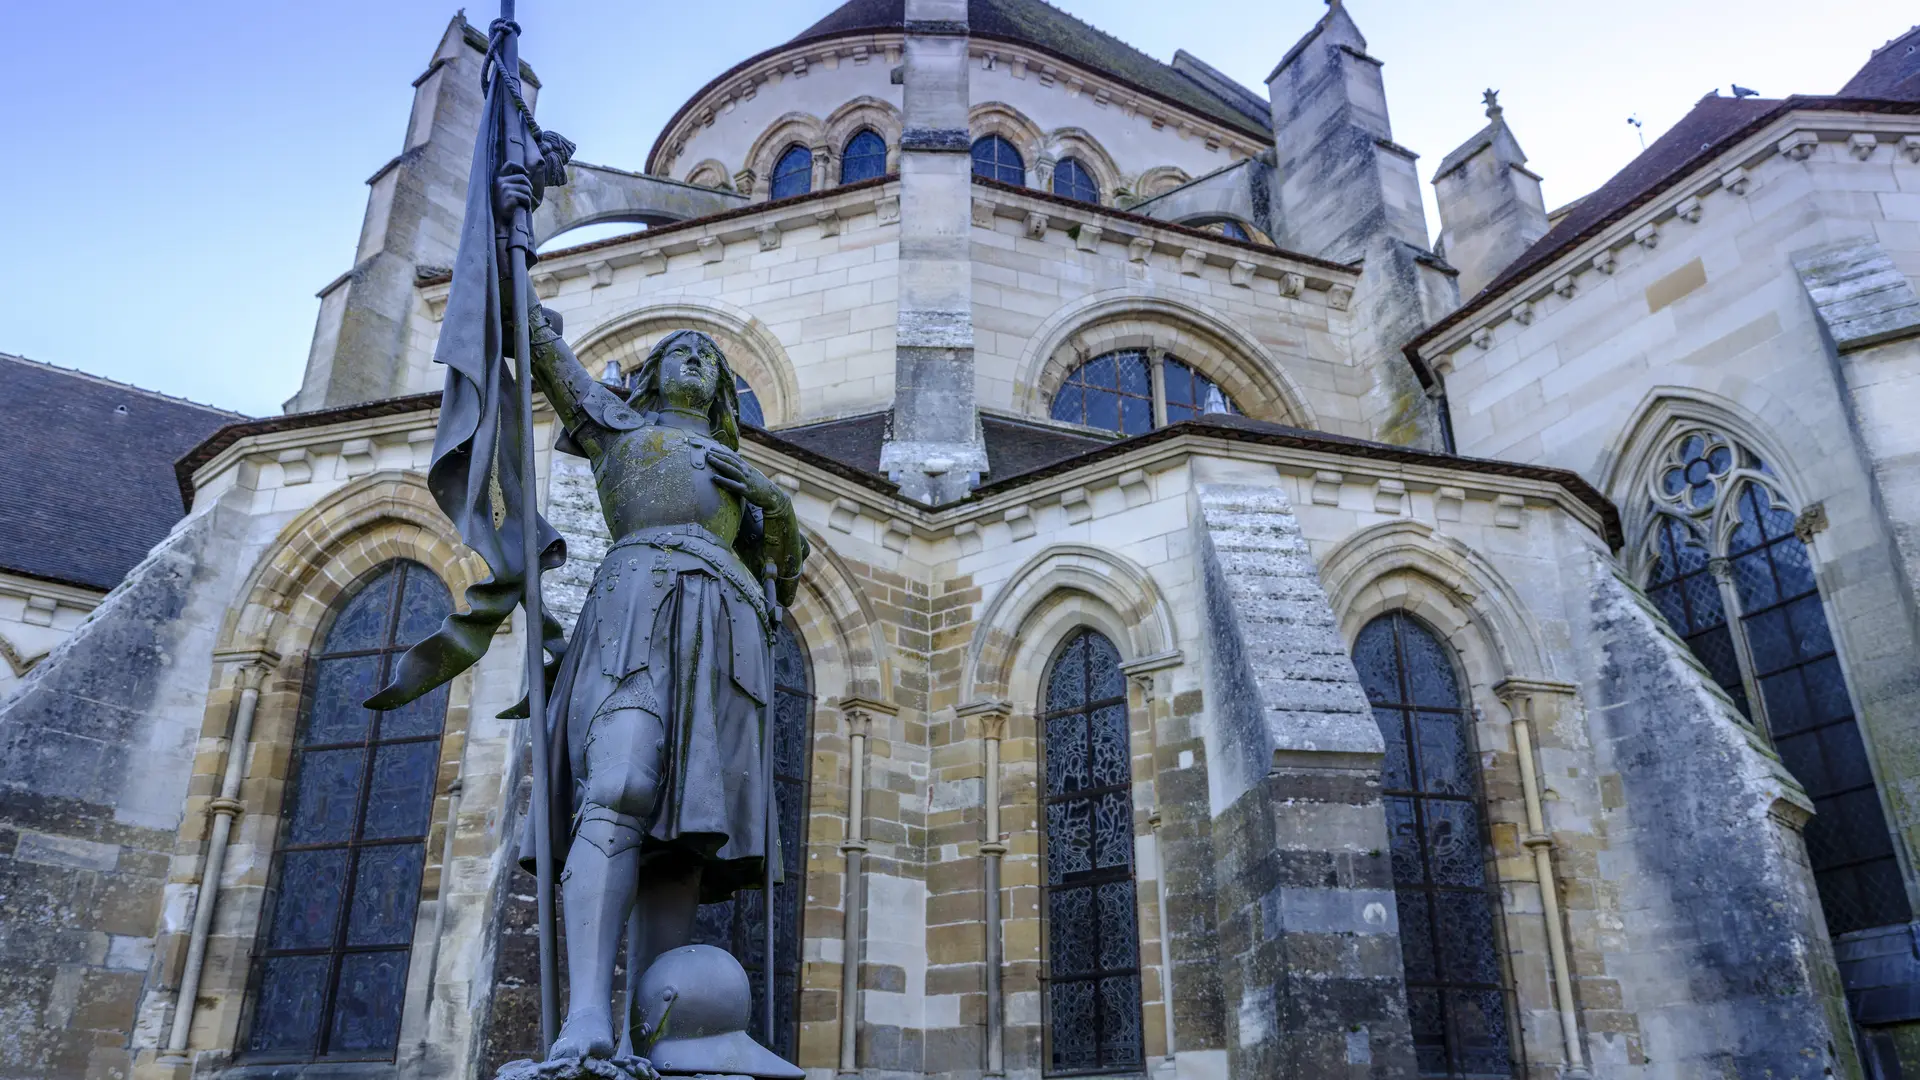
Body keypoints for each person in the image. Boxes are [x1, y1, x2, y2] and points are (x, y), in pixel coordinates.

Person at [493, 168, 808, 1061]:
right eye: (680, 349)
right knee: (622, 782)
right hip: (638, 605)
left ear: (722, 393)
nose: (696, 358)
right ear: (653, 373)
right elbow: (539, 348)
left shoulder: (743, 473)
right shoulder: (621, 431)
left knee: (685, 836)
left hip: (728, 629)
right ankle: (587, 1014)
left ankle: (657, 1037)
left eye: (710, 357)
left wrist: (777, 515)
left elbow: (782, 582)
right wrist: (516, 226)